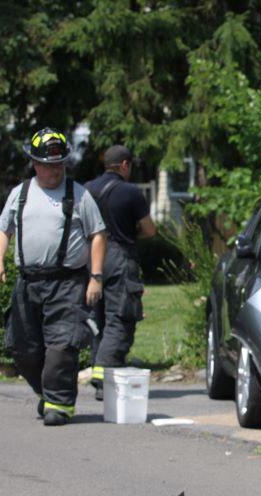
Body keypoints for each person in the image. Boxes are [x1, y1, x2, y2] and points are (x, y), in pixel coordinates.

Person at [0, 127, 106, 426]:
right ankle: (49, 394)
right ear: (35, 163)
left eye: (59, 164)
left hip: (66, 282)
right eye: (48, 164)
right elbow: (3, 230)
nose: (54, 170)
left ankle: (60, 405)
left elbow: (98, 236)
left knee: (62, 345)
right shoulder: (21, 193)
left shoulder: (79, 195)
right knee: (23, 349)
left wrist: (95, 276)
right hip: (28, 282)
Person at [85, 145, 156, 400]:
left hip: (92, 258)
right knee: (120, 318)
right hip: (120, 257)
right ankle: (105, 375)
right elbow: (149, 230)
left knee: (98, 318)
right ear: (125, 165)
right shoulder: (131, 192)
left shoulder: (87, 190)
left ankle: (99, 373)